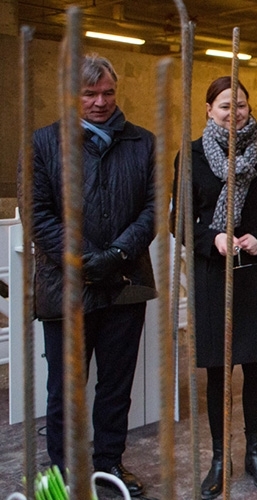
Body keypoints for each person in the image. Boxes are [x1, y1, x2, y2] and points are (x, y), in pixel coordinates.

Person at [31, 53, 156, 497]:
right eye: (90, 94)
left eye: (107, 93)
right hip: (66, 287)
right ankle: (65, 473)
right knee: (66, 389)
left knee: (116, 384)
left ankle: (110, 463)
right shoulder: (45, 144)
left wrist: (119, 252)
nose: (101, 102)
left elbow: (152, 208)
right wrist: (84, 259)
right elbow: (38, 213)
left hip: (125, 283)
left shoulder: (142, 142)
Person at [179, 76, 257, 499]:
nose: (234, 113)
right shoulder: (190, 156)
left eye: (240, 105)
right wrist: (214, 238)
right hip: (214, 275)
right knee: (218, 370)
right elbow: (182, 221)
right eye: (225, 106)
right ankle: (220, 457)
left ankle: (255, 453)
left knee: (256, 365)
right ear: (209, 110)